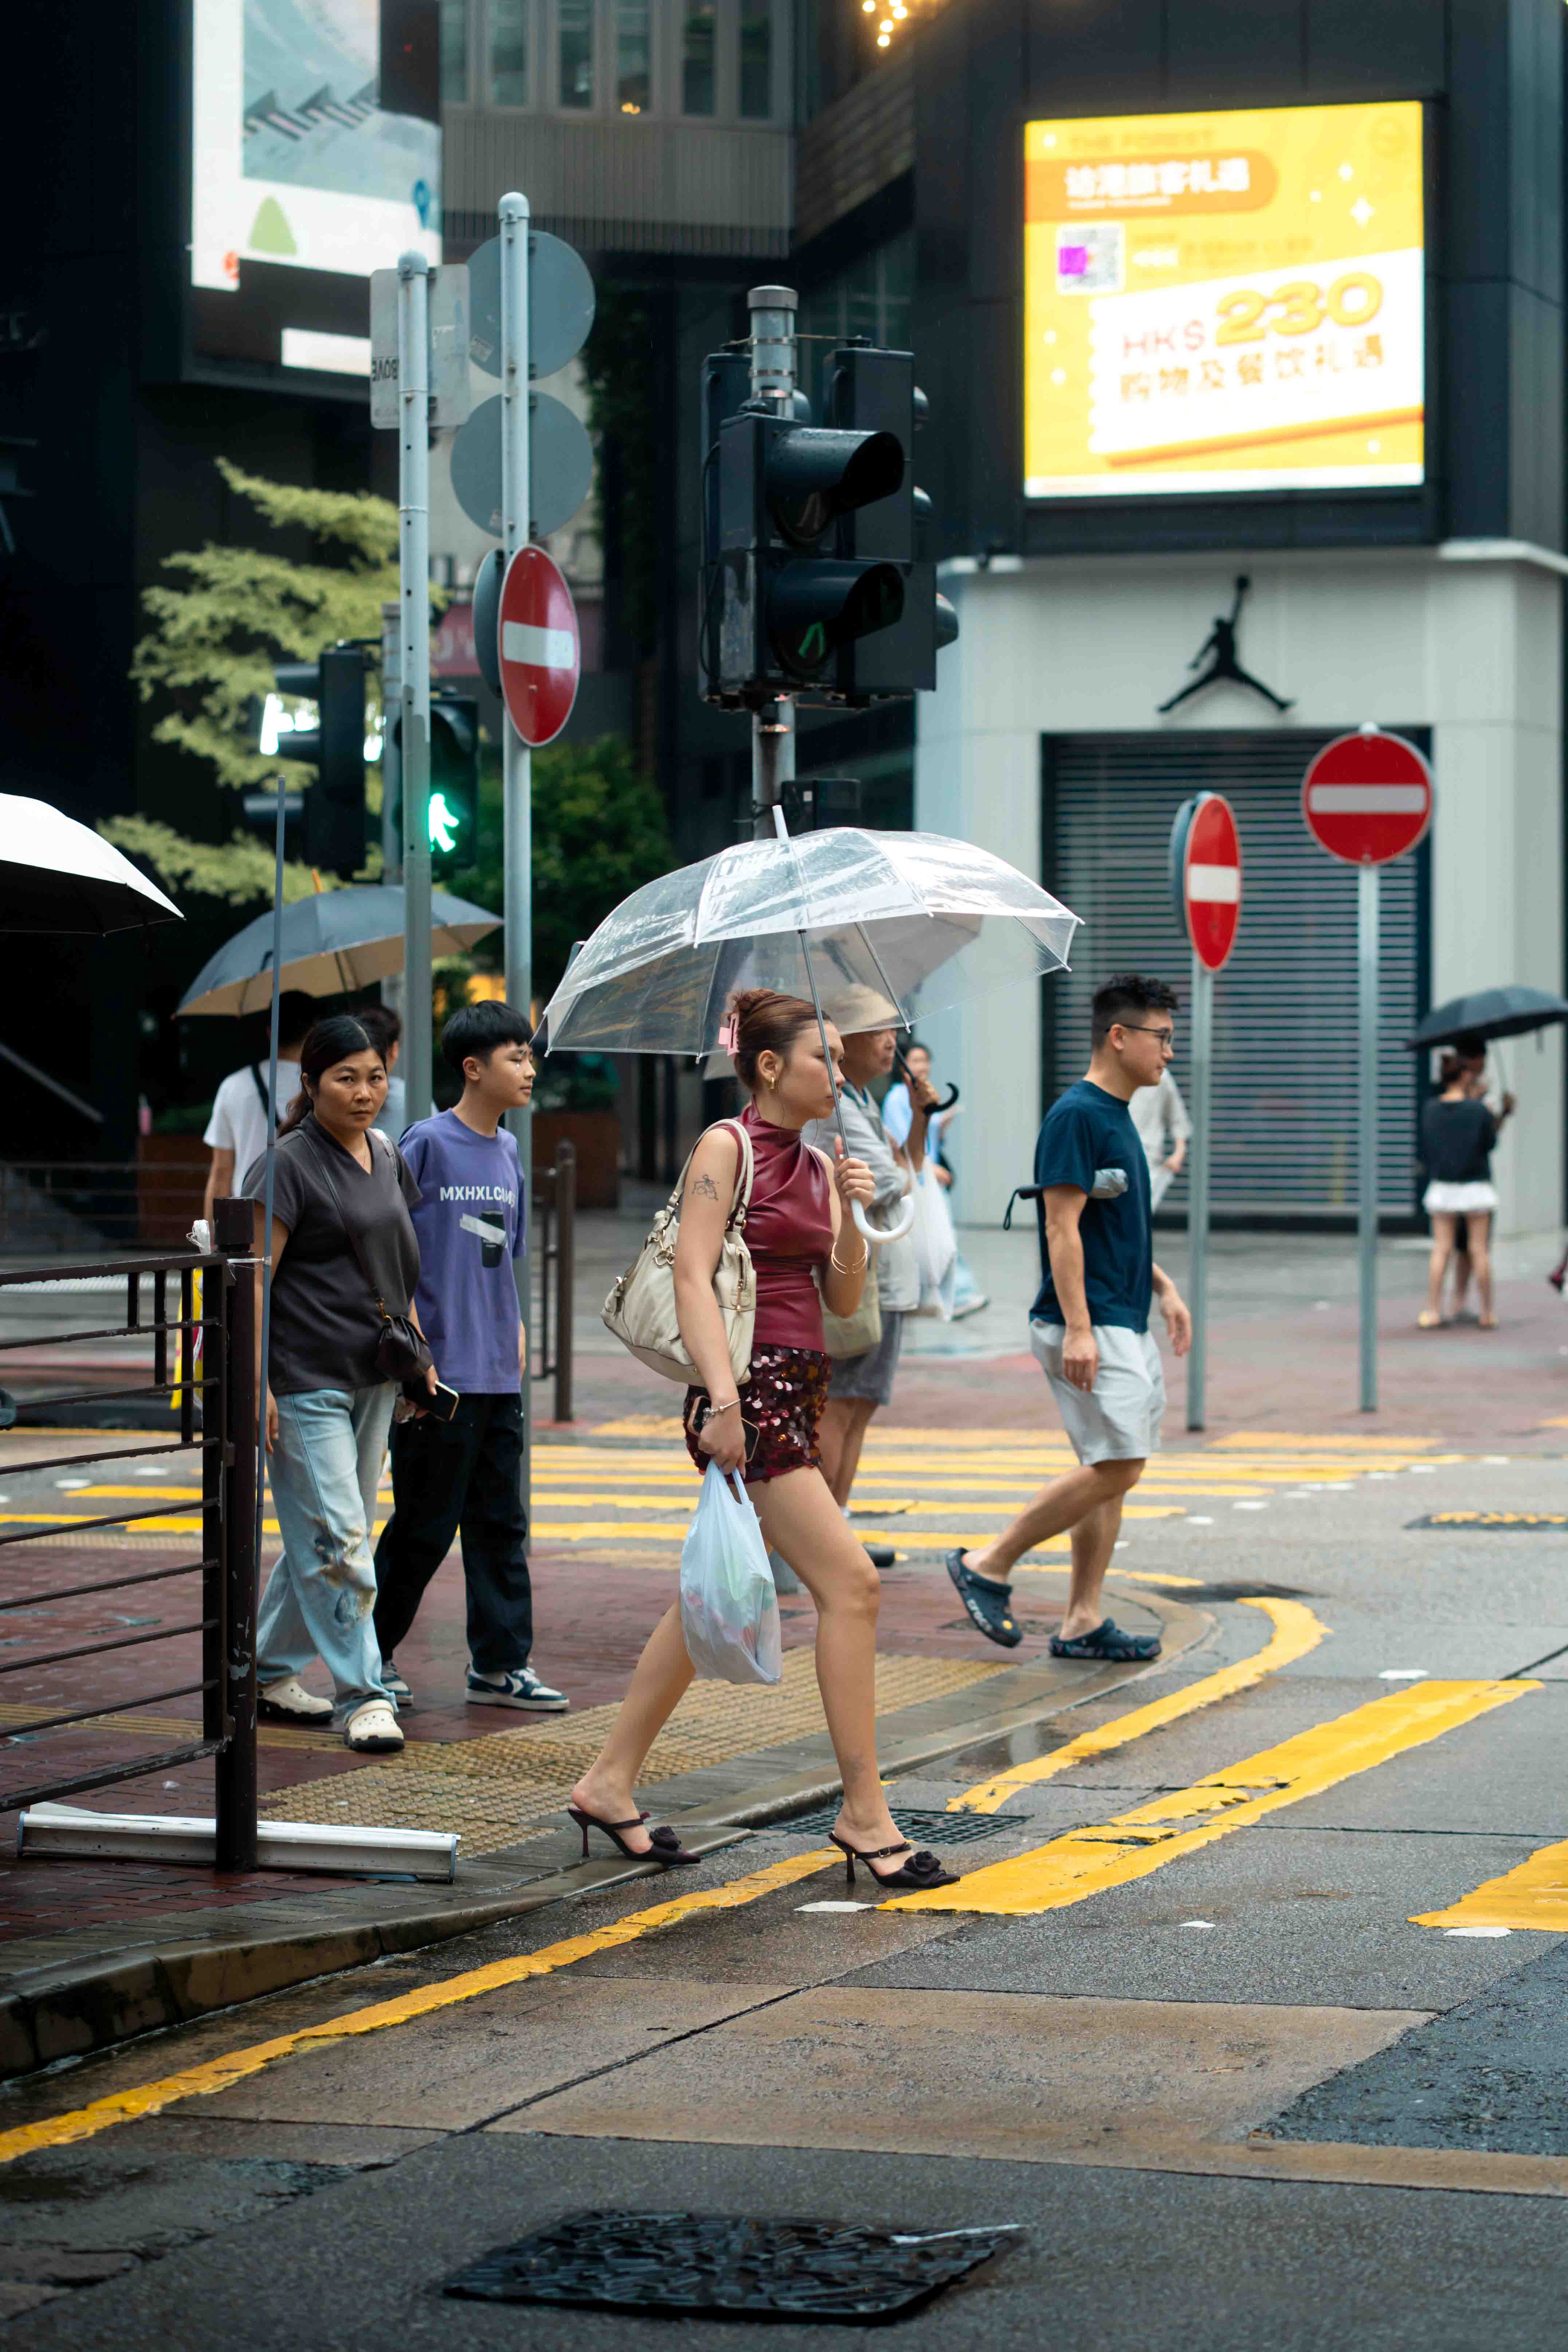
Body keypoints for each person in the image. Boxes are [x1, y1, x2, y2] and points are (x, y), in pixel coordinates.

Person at [567, 989, 959, 1892]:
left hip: (800, 1386)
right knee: (852, 1586)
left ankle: (607, 1780)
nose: (841, 1067)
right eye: (824, 1055)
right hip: (747, 1389)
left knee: (709, 1593)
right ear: (771, 1065)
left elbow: (847, 1302)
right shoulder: (725, 1146)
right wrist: (721, 1401)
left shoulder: (827, 1162)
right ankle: (864, 1813)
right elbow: (693, 1277)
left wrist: (856, 1212)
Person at [946, 974, 1192, 1660]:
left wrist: (1164, 1288)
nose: (1170, 1053)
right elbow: (1061, 1229)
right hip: (1087, 1321)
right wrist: (1081, 1328)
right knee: (1120, 1464)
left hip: (1123, 1313)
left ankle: (1083, 1619)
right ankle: (988, 1564)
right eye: (1162, 1038)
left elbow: (1113, 1231)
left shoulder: (1118, 1115)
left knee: (1107, 1464)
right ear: (1120, 1037)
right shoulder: (1077, 1117)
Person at [243, 1014, 437, 1753]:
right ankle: (365, 1695)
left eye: (374, 1077)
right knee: (339, 1535)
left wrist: (418, 1355)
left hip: (375, 1378)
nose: (363, 1093)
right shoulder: (286, 1164)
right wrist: (255, 1383)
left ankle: (263, 1668)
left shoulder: (386, 1153)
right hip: (303, 1381)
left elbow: (397, 1265)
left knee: (325, 1533)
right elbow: (255, 1283)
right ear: (310, 1083)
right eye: (345, 1078)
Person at [372, 1002, 568, 1713]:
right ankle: (371, 1656)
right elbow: (391, 1259)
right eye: (516, 1057)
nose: (529, 1068)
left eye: (529, 1055)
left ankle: (500, 1664)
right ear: (473, 1068)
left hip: (496, 1372)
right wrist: (417, 1356)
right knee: (423, 1527)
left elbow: (504, 1261)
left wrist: (513, 1338)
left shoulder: (510, 1151)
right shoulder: (424, 1144)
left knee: (499, 1523)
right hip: (438, 1377)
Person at [802, 1028, 935, 1521]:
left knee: (859, 1407)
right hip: (863, 1274)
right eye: (877, 1032)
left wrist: (919, 1122)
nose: (890, 1041)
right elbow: (887, 1182)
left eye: (893, 1032)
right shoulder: (839, 1106)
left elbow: (908, 1168)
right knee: (841, 1407)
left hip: (883, 1271)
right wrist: (898, 1166)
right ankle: (824, 1533)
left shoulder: (859, 1100)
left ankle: (838, 1523)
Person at [887, 1043, 988, 1319]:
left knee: (941, 1235)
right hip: (919, 1177)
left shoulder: (923, 1096)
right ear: (903, 1066)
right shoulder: (898, 1098)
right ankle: (957, 1294)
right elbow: (901, 1143)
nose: (922, 1065)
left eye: (925, 1060)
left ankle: (953, 1294)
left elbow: (927, 1140)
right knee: (938, 1236)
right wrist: (931, 1167)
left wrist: (939, 1125)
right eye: (915, 1060)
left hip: (928, 1176)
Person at [202, 993, 315, 1230]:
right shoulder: (323, 1087)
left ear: (270, 1031)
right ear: (314, 1033)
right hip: (308, 1216)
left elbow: (222, 1171)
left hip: (245, 1221)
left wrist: (213, 1238)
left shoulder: (234, 1086)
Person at [1420, 1047, 1514, 1329]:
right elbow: (1489, 1144)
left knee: (1441, 1249)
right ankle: (1487, 1312)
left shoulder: (1431, 1108)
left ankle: (1433, 1310)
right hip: (1475, 1187)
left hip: (1443, 1187)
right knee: (1479, 1250)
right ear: (1464, 1075)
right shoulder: (1478, 1110)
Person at [1131, 1066, 1190, 1212]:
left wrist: (1179, 1153)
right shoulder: (1113, 1074)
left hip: (1150, 1162)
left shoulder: (1162, 1077)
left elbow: (1177, 1117)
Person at [359, 1003, 406, 1136]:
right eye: (348, 1079)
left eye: (376, 1078)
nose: (364, 1095)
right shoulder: (412, 1097)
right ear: (395, 1049)